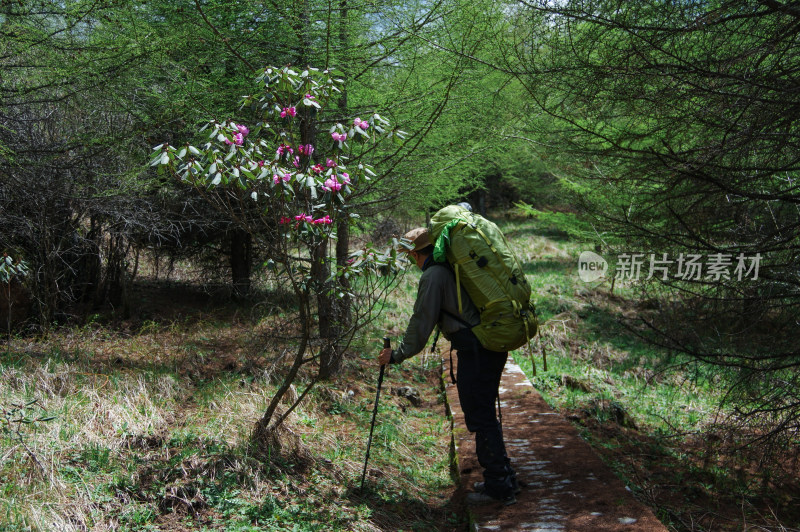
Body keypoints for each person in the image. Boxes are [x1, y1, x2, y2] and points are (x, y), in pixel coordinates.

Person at [378, 226, 519, 506]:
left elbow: (421, 322)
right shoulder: (452, 268)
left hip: (476, 350)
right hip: (488, 345)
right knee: (483, 412)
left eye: (410, 255)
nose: (410, 260)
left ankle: (500, 485)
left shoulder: (434, 275)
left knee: (480, 415)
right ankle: (502, 476)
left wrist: (396, 355)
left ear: (419, 254)